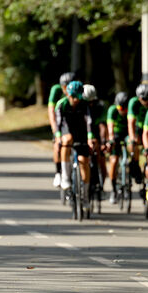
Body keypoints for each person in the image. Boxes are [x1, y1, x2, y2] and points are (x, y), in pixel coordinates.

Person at [55, 80, 93, 212]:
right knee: (66, 141)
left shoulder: (84, 105)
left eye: (78, 96)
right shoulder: (62, 104)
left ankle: (86, 195)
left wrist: (89, 139)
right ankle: (65, 177)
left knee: (84, 161)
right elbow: (58, 124)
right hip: (67, 131)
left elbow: (89, 122)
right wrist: (58, 136)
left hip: (81, 133)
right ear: (68, 95)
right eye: (73, 97)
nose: (75, 99)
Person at [48, 72, 75, 188]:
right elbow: (51, 109)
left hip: (73, 119)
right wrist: (55, 128)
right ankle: (58, 172)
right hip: (60, 119)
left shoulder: (77, 89)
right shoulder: (56, 90)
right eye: (64, 87)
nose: (66, 90)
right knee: (57, 144)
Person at [127, 83, 148, 189]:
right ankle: (135, 163)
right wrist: (132, 137)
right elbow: (131, 122)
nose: (146, 102)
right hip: (139, 128)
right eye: (143, 99)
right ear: (139, 97)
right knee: (133, 143)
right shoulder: (133, 102)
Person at [82, 84, 108, 192]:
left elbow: (103, 125)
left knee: (100, 157)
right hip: (83, 132)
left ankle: (101, 185)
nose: (90, 104)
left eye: (92, 101)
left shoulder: (100, 106)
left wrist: (103, 142)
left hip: (96, 132)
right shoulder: (79, 105)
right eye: (87, 102)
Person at [106, 92, 129, 204]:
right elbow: (110, 127)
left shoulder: (130, 111)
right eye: (120, 107)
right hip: (116, 135)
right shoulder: (112, 110)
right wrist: (111, 139)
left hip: (128, 134)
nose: (123, 110)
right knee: (114, 161)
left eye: (125, 108)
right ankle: (114, 189)